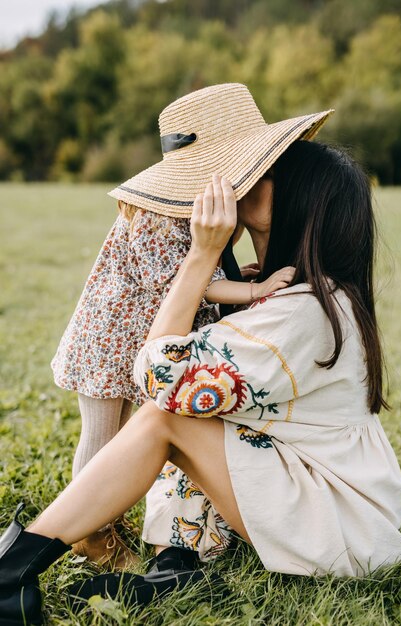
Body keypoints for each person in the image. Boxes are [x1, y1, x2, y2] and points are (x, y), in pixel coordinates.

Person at [0, 84, 401, 626]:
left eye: (263, 173)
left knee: (169, 413)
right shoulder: (302, 292)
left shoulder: (301, 312)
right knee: (192, 410)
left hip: (337, 526)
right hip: (324, 493)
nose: (238, 184)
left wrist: (201, 258)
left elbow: (158, 373)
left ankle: (11, 573)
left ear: (293, 203)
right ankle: (175, 565)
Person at [51, 143, 289, 568]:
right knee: (103, 436)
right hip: (110, 341)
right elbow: (183, 281)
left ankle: (104, 514)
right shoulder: (155, 215)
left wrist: (239, 279)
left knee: (125, 434)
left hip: (139, 340)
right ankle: (88, 534)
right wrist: (254, 290)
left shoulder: (194, 212)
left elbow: (205, 274)